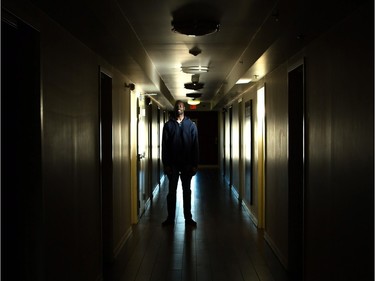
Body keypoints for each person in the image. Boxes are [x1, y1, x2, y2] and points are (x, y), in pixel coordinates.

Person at [161, 100, 199, 227]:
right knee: (171, 193)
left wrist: (195, 165)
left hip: (187, 164)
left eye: (181, 106)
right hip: (172, 165)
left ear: (184, 109)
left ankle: (188, 219)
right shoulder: (168, 126)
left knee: (186, 192)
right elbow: (165, 146)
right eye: (177, 106)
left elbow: (195, 146)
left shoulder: (191, 125)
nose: (179, 108)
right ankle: (170, 219)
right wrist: (166, 164)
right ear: (174, 108)